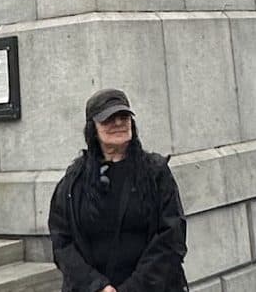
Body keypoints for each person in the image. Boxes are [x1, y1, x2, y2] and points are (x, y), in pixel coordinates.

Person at [48, 89, 187, 292]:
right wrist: (97, 286)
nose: (119, 123)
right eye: (109, 119)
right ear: (93, 128)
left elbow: (171, 237)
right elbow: (62, 242)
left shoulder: (155, 173)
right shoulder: (74, 181)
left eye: (124, 117)